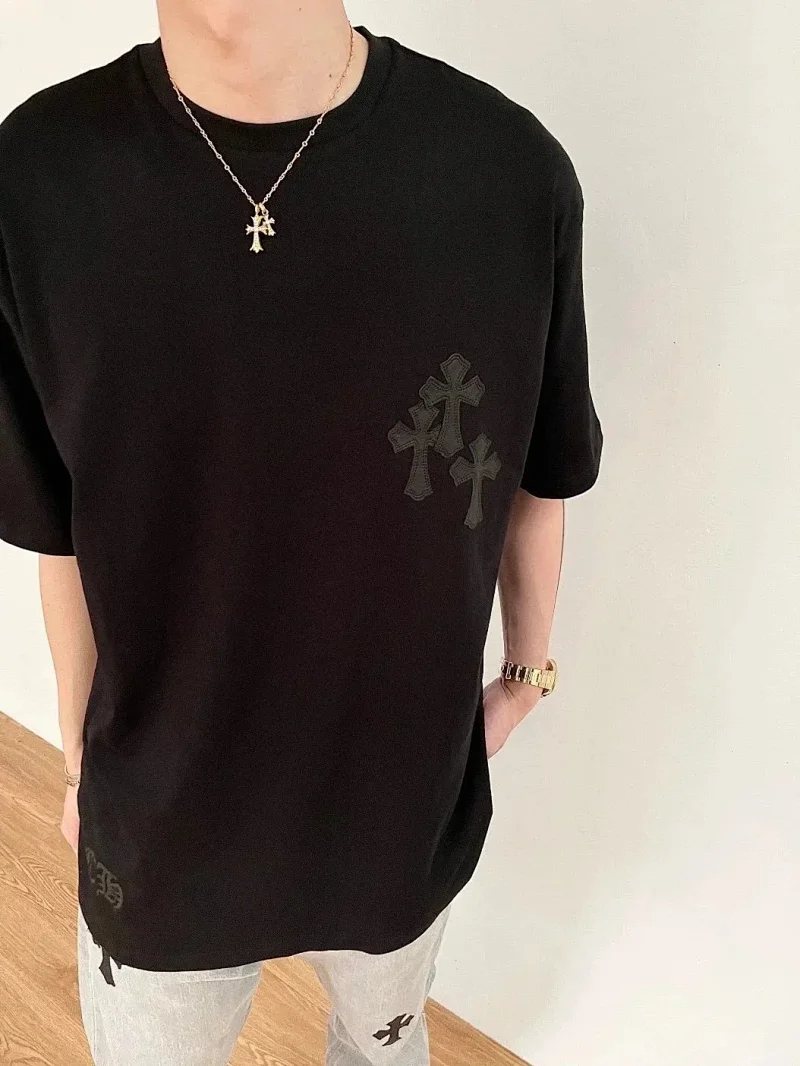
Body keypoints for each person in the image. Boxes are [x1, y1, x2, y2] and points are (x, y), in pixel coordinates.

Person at [0, 1, 603, 1063]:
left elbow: (535, 473)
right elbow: (58, 528)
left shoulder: (506, 173)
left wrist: (525, 674)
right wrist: (83, 762)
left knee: (381, 1046)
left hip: (397, 815)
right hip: (161, 823)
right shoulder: (35, 180)